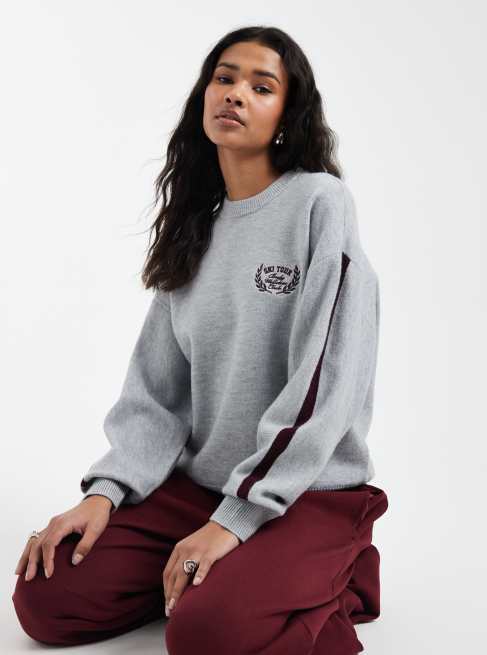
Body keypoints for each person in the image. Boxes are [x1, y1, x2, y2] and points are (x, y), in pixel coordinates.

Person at [12, 25, 389, 655]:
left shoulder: (319, 203)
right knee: (48, 597)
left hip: (306, 494)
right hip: (201, 490)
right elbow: (155, 392)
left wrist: (238, 518)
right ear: (204, 98)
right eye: (224, 78)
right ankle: (221, 581)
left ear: (288, 116)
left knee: (204, 636)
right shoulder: (196, 227)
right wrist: (107, 493)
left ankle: (339, 572)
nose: (236, 93)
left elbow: (324, 384)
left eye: (261, 86)